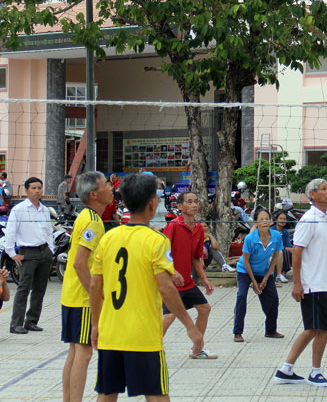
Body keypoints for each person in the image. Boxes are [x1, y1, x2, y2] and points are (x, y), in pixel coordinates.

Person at [89, 173, 203, 400]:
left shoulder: (108, 237)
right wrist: (190, 325)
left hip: (111, 332)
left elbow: (94, 286)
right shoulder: (156, 240)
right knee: (157, 394)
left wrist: (95, 325)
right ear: (152, 203)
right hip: (143, 336)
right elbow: (166, 288)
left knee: (106, 393)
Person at [274, 178, 327, 387]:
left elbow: (321, 255)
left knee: (316, 328)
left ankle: (286, 369)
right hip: (311, 284)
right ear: (312, 194)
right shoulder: (309, 219)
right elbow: (297, 252)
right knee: (318, 328)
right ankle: (314, 372)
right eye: (323, 189)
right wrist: (297, 283)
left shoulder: (326, 217)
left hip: (322, 283)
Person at [60, 171, 113, 402]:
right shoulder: (92, 220)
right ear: (94, 193)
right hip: (82, 298)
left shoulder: (86, 215)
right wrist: (97, 295)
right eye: (106, 185)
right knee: (84, 352)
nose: (111, 187)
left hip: (71, 294)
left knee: (75, 351)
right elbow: (80, 263)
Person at [161, 192, 216, 359]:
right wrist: (172, 271)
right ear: (179, 206)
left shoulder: (199, 228)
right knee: (169, 316)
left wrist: (205, 280)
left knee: (205, 308)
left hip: (187, 282)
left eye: (196, 201)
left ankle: (197, 349)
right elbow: (162, 252)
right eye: (189, 202)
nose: (194, 205)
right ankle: (151, 349)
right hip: (170, 281)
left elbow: (195, 258)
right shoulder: (173, 226)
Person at [7, 177, 54, 334]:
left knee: (40, 289)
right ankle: (16, 323)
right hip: (27, 252)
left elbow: (48, 231)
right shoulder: (18, 209)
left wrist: (51, 249)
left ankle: (31, 321)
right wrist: (12, 253)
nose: (37, 191)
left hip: (44, 252)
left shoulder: (45, 210)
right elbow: (11, 232)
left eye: (39, 188)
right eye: (33, 188)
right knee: (24, 288)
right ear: (26, 190)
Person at [233, 210, 284, 342]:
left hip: (264, 271)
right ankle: (237, 332)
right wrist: (254, 283)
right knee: (242, 296)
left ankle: (271, 330)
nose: (264, 222)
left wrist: (267, 277)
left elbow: (276, 257)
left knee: (273, 299)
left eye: (267, 219)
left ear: (271, 221)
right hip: (246, 271)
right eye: (261, 219)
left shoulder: (276, 236)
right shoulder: (250, 238)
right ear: (256, 222)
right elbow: (245, 260)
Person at [271, 211, 293, 283]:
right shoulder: (272, 230)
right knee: (285, 252)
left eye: (284, 219)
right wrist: (287, 248)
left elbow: (288, 245)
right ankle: (282, 273)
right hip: (273, 250)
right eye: (280, 218)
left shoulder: (285, 232)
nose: (282, 220)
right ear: (276, 220)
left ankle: (285, 272)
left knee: (293, 251)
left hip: (283, 249)